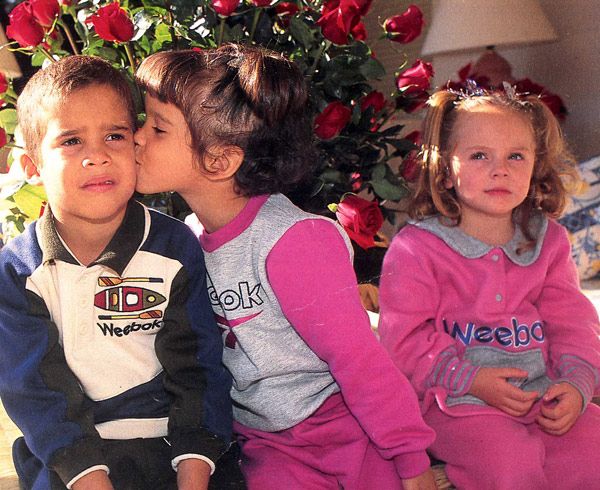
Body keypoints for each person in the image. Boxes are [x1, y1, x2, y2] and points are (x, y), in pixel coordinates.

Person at [133, 44, 436, 489]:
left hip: (351, 429)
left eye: (157, 128)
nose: (137, 136)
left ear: (220, 160)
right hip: (268, 445)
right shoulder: (186, 240)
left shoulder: (295, 242)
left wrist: (412, 463)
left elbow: (360, 362)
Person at [0, 55, 232, 490]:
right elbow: (36, 396)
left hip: (175, 449)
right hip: (72, 461)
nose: (98, 156)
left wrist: (194, 473)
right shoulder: (16, 274)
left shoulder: (175, 247)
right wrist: (89, 477)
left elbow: (197, 369)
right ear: (32, 166)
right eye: (71, 141)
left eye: (114, 135)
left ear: (135, 145)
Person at [378, 87, 600, 489]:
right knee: (508, 465)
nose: (501, 170)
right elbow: (403, 343)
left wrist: (577, 385)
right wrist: (471, 380)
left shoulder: (547, 240)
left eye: (516, 156)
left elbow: (574, 326)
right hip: (456, 402)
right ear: (445, 170)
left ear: (535, 166)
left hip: (543, 394)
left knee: (592, 451)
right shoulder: (416, 248)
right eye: (479, 155)